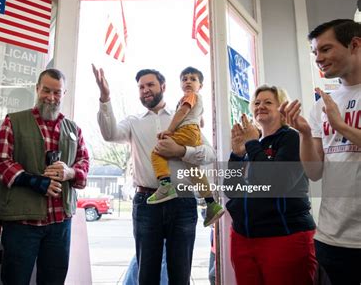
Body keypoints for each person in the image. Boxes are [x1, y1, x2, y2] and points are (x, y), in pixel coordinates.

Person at [93, 64, 216, 284]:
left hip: (183, 203)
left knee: (180, 274)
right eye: (140, 87)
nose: (145, 90)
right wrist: (105, 97)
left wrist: (181, 151)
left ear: (163, 86)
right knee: (146, 274)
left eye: (150, 84)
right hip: (146, 203)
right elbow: (109, 133)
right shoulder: (133, 122)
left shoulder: (184, 117)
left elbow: (209, 154)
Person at [0, 69, 89, 285]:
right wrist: (34, 181)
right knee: (15, 280)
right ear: (37, 88)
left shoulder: (74, 129)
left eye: (57, 92)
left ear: (64, 94)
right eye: (46, 90)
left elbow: (84, 165)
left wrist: (69, 172)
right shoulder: (13, 121)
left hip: (60, 223)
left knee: (54, 280)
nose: (51, 97)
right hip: (22, 222)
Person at [281, 19, 361, 285]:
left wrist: (341, 126)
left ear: (355, 45)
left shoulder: (332, 112)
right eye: (315, 52)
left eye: (325, 49)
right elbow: (314, 172)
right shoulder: (322, 107)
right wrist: (304, 133)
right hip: (331, 237)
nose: (319, 58)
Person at [227, 85, 317, 285]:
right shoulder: (252, 143)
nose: (261, 106)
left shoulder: (291, 138)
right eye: (257, 103)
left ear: (282, 109)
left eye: (268, 102)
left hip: (283, 237)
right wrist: (236, 154)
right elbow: (231, 189)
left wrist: (251, 144)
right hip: (243, 237)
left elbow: (276, 183)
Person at [147, 66, 224, 227]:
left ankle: (165, 185)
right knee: (194, 171)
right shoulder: (198, 98)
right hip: (194, 132)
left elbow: (182, 112)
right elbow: (199, 120)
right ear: (180, 83)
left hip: (186, 130)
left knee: (158, 152)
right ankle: (211, 203)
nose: (188, 81)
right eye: (184, 79)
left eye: (193, 79)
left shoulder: (189, 96)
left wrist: (169, 129)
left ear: (200, 85)